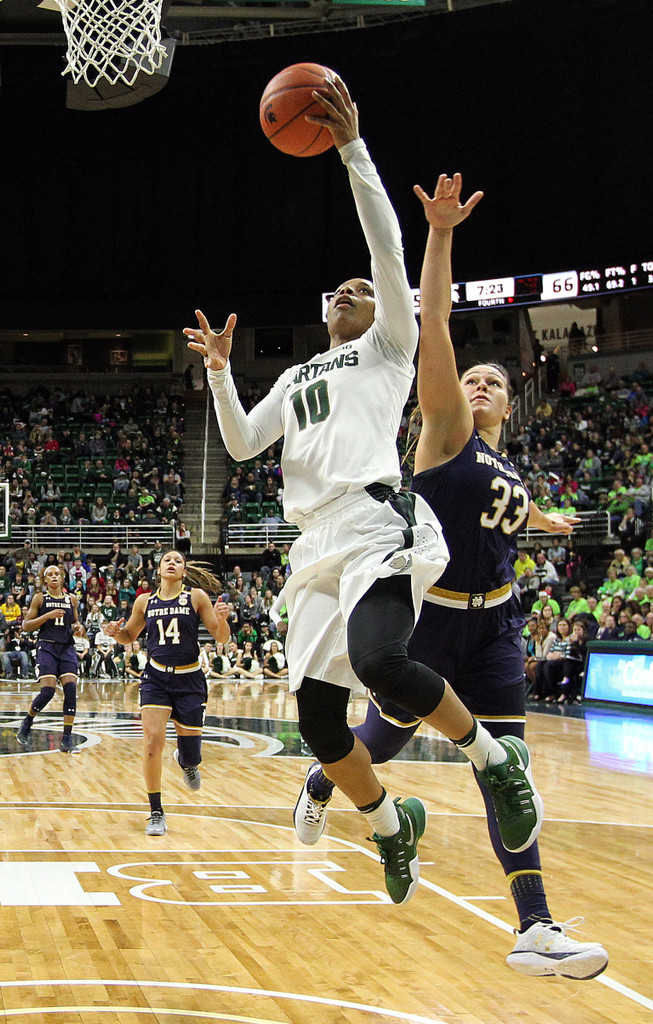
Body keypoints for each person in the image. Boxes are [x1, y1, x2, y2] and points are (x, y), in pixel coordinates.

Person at [185, 83, 543, 907]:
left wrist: (353, 152)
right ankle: (391, 825)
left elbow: (386, 250)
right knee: (317, 723)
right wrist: (216, 374)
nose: (350, 289)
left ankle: (494, 759)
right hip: (311, 544)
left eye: (362, 286)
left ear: (385, 308)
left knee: (384, 663)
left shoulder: (389, 347)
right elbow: (240, 444)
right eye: (337, 289)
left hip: (375, 516)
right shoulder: (299, 374)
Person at [289, 172, 607, 976]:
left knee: (510, 774)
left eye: (494, 381)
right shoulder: (447, 431)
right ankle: (326, 784)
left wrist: (544, 520)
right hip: (429, 618)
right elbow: (436, 333)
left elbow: (506, 509)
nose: (479, 384)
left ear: (512, 402)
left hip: (497, 625)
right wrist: (439, 235)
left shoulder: (511, 468)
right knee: (377, 744)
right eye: (472, 379)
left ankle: (534, 926)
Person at [103, 550, 230, 836]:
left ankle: (187, 762)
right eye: (167, 560)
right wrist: (115, 632)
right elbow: (128, 637)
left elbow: (221, 637)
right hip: (156, 678)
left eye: (178, 561)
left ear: (184, 571)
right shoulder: (144, 601)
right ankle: (156, 812)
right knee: (152, 742)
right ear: (158, 570)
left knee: (191, 756)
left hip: (190, 681)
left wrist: (223, 619)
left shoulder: (196, 597)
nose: (172, 563)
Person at [16, 564, 86, 752]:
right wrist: (47, 616)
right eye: (50, 575)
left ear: (62, 578)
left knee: (70, 689)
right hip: (47, 646)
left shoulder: (71, 599)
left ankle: (67, 738)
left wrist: (79, 627)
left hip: (66, 647)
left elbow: (75, 622)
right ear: (45, 580)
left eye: (57, 574)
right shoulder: (40, 598)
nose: (54, 577)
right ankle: (28, 720)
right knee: (48, 691)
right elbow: (26, 625)